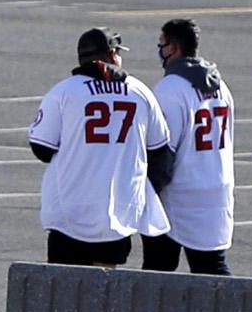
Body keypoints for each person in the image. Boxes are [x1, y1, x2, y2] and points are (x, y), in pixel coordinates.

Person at [27, 29, 172, 267]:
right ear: (112, 55)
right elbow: (160, 152)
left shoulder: (64, 91)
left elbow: (41, 148)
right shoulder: (140, 91)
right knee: (103, 294)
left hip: (68, 211)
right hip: (117, 213)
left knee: (62, 290)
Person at [141, 17, 236, 275]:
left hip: (180, 194)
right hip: (216, 188)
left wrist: (146, 192)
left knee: (157, 271)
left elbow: (163, 151)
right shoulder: (220, 87)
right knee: (212, 270)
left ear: (173, 48)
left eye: (162, 44)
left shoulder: (170, 89)